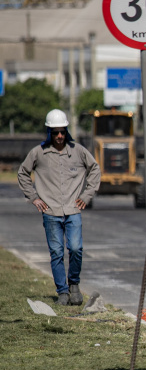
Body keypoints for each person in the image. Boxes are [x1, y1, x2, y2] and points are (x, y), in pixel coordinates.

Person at [18, 109, 101, 306]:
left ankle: (74, 284)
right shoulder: (39, 153)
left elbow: (95, 169)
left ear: (66, 131)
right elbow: (23, 173)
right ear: (49, 132)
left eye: (62, 131)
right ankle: (62, 291)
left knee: (76, 248)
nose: (59, 136)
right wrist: (34, 198)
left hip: (73, 210)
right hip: (50, 211)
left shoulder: (78, 151)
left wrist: (87, 195)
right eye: (55, 132)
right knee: (56, 252)